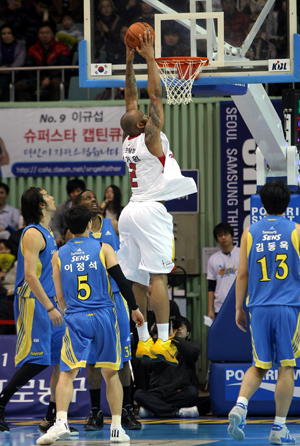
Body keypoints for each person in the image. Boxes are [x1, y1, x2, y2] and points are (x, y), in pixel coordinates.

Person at [118, 31, 197, 365]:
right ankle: (164, 340)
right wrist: (150, 57)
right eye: (145, 117)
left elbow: (131, 97)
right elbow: (153, 96)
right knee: (159, 277)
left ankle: (142, 340)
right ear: (142, 124)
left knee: (137, 278)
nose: (148, 115)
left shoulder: (129, 139)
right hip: (150, 210)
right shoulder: (150, 137)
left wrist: (128, 59)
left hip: (129, 210)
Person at [36, 205, 144, 445]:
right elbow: (121, 281)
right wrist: (135, 308)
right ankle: (116, 427)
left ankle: (61, 421)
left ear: (69, 230)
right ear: (89, 225)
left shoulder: (59, 255)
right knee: (111, 373)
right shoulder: (103, 248)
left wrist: (67, 312)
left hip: (75, 317)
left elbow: (60, 295)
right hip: (104, 316)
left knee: (67, 373)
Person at [227, 179, 300, 444]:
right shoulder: (296, 230)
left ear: (262, 204)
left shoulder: (250, 232)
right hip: (287, 307)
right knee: (287, 367)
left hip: (257, 307)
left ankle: (241, 404)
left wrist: (238, 307)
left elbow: (242, 274)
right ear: (287, 203)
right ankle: (279, 428)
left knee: (259, 366)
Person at [74, 190, 141, 430]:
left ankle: (126, 410)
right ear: (78, 207)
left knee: (123, 358)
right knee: (93, 361)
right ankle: (95, 412)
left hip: (115, 298)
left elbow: (133, 247)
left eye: (94, 197)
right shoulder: (76, 235)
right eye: (87, 198)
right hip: (91, 304)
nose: (93, 200)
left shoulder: (112, 224)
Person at [0, 187, 65, 434]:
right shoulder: (33, 233)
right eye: (47, 194)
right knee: (38, 360)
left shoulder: (48, 232)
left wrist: (59, 303)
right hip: (34, 301)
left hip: (52, 303)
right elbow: (29, 275)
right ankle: (1, 403)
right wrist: (49, 307)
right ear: (39, 204)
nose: (51, 196)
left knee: (62, 360)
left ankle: (51, 418)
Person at [134, 316, 200, 419]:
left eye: (181, 327)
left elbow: (192, 353)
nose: (177, 329)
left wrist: (174, 337)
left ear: (188, 332)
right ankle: (177, 412)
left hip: (178, 393)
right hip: (157, 393)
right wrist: (154, 337)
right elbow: (146, 361)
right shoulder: (158, 347)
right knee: (138, 394)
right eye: (173, 327)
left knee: (192, 393)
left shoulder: (191, 347)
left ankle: (154, 410)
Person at [15, 22, 70, 102]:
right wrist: (36, 79)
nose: (45, 35)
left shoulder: (62, 48)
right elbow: (29, 67)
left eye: (47, 33)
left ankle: (54, 108)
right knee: (19, 85)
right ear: (38, 35)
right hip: (37, 78)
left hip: (55, 77)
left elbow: (63, 66)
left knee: (56, 83)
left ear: (52, 34)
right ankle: (29, 110)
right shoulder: (32, 49)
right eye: (42, 33)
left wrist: (49, 78)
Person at [207, 222, 239, 320]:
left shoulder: (242, 254)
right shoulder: (213, 259)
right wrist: (210, 310)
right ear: (217, 239)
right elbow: (211, 287)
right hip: (220, 306)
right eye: (220, 236)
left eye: (226, 234)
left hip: (240, 304)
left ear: (232, 236)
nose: (223, 238)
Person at [49, 178, 86, 247]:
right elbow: (55, 226)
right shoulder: (61, 208)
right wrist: (58, 237)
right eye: (72, 192)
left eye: (78, 191)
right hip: (65, 241)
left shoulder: (87, 207)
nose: (75, 194)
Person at [0, 24, 26, 101]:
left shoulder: (21, 44)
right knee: (5, 81)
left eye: (9, 33)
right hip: (1, 72)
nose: (6, 36)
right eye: (3, 34)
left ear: (13, 34)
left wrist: (10, 69)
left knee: (5, 80)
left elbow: (20, 60)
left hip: (17, 73)